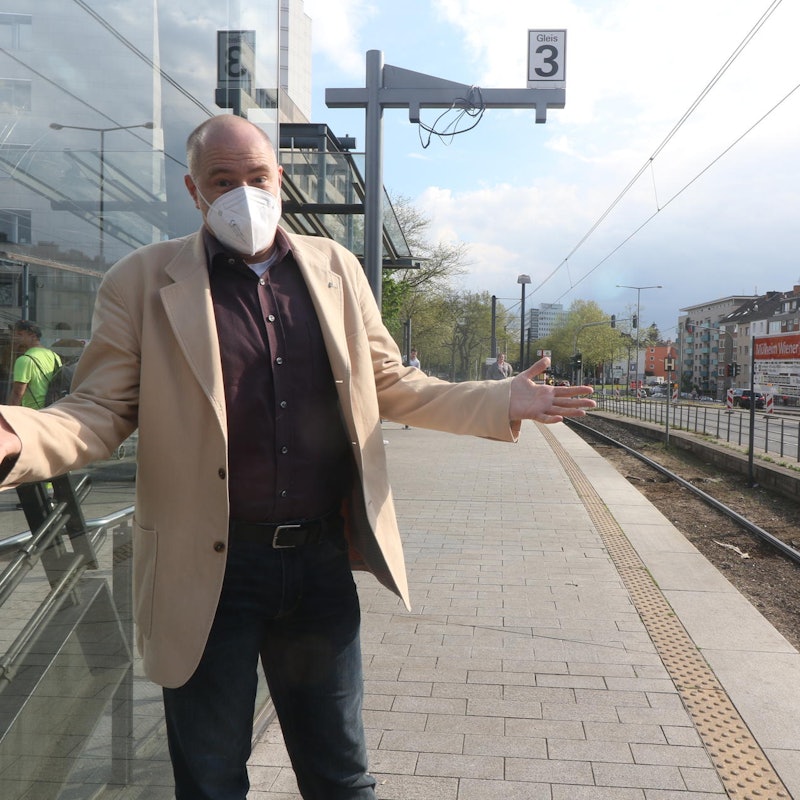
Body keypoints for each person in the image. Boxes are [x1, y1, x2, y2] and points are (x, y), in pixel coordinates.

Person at [0, 114, 595, 800]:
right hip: (207, 574)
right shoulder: (138, 282)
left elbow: (392, 384)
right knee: (211, 780)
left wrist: (499, 401)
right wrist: (18, 436)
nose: (242, 194)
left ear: (278, 180)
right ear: (194, 191)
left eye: (256, 177)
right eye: (223, 181)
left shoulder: (334, 269)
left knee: (341, 777)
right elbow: (98, 412)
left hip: (317, 565)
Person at [5, 320, 64, 410]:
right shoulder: (54, 356)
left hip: (32, 412)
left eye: (20, 334)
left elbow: (17, 394)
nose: (15, 338)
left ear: (33, 336)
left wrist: (7, 415)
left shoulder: (24, 360)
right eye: (14, 335)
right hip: (52, 409)